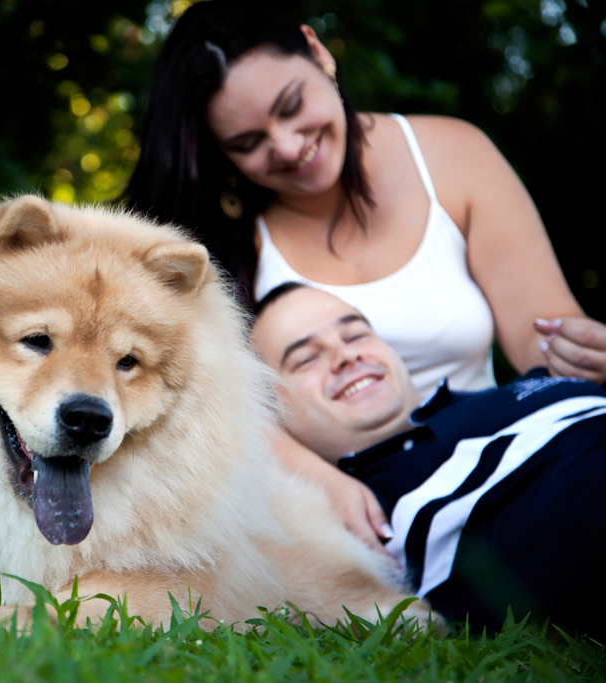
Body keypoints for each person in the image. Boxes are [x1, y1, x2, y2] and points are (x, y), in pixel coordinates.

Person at [123, 0, 606, 401]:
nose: (289, 147)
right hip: (323, 508)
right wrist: (332, 486)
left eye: (292, 106)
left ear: (317, 52)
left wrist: (582, 348)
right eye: (248, 143)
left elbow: (542, 339)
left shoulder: (455, 154)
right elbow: (215, 406)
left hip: (497, 469)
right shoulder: (211, 240)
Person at [253, 282, 605, 636]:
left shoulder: (524, 387)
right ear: (273, 415)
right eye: (306, 359)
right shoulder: (373, 520)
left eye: (356, 335)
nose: (346, 356)